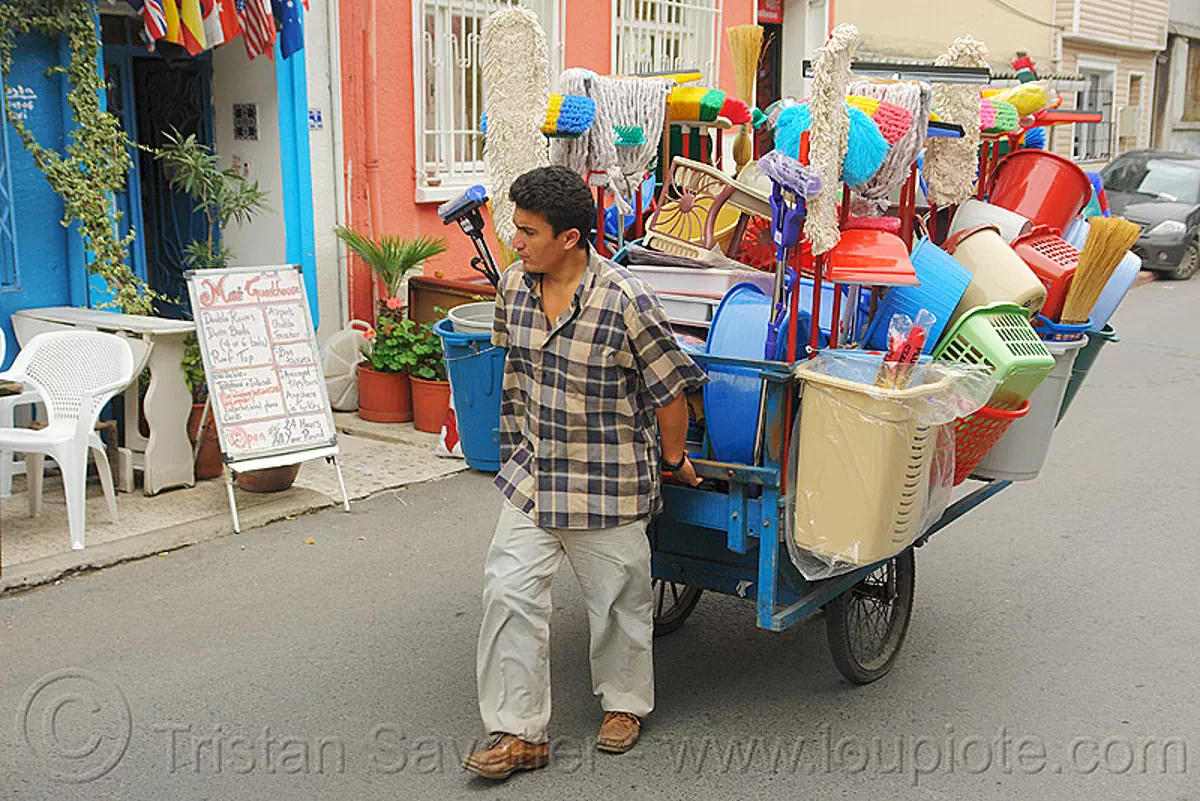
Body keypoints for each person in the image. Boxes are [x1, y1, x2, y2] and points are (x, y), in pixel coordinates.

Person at [461, 166, 708, 780]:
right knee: (507, 592)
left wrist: (673, 461)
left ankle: (624, 705)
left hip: (608, 482)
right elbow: (511, 365)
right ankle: (517, 732)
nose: (514, 242)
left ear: (569, 238)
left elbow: (671, 392)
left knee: (620, 605)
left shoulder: (625, 299)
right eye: (514, 229)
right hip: (533, 475)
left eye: (527, 232)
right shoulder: (514, 286)